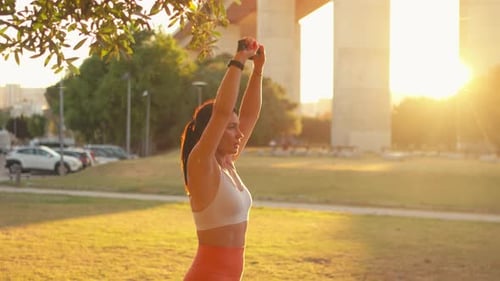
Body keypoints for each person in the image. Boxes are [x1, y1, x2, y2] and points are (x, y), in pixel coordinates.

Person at [180, 37, 265, 281]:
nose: (239, 133)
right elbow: (222, 112)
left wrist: (257, 70)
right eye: (230, 128)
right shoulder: (202, 164)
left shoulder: (227, 164)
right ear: (212, 132)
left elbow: (249, 115)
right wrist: (238, 61)